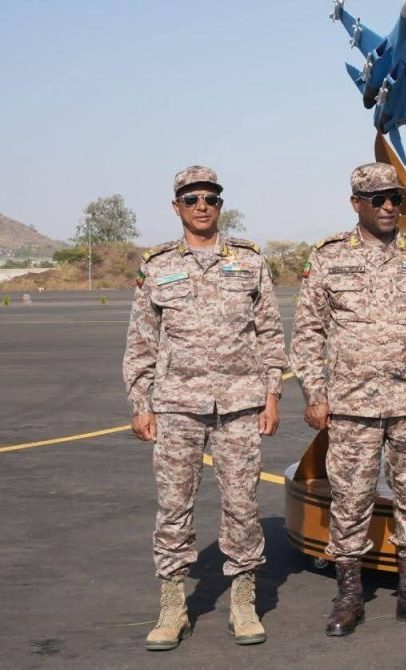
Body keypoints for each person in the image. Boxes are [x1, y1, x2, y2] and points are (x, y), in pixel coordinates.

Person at [290, 162, 406, 637]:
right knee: (350, 499)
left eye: (395, 199)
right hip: (351, 405)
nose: (389, 207)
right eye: (378, 200)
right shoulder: (329, 257)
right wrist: (315, 393)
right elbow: (307, 333)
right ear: (356, 204)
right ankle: (349, 595)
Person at [123, 165, 286, 650]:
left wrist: (272, 394)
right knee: (174, 505)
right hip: (177, 404)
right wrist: (140, 403)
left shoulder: (250, 261)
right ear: (176, 207)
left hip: (240, 403)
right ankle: (173, 605)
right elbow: (141, 341)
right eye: (192, 199)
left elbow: (270, 333)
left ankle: (243, 601)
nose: (202, 206)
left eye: (210, 199)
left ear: (220, 205)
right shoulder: (157, 266)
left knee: (243, 504)